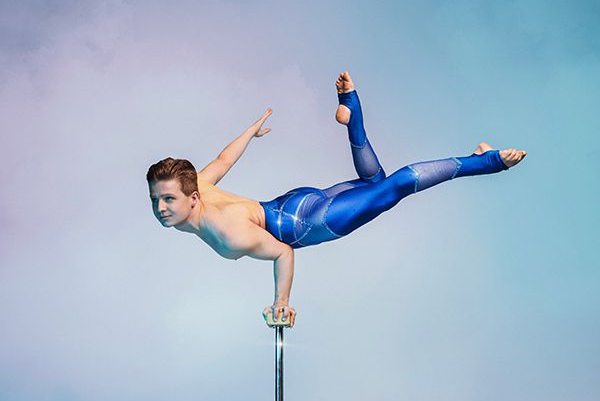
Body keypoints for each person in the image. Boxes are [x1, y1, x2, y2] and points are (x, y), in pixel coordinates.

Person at [147, 71, 526, 329]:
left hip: (311, 222)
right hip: (292, 203)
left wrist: (281, 302)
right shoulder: (200, 185)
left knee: (392, 189)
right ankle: (352, 111)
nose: (161, 208)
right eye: (156, 200)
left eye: (168, 199)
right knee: (374, 181)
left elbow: (283, 252)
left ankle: (485, 162)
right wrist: (250, 131)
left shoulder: (226, 232)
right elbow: (223, 160)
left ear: (192, 198)